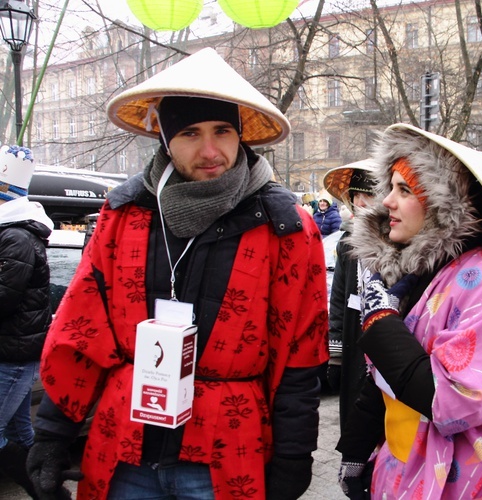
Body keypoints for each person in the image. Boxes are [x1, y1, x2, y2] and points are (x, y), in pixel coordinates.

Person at [26, 48, 329, 500]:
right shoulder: (123, 213)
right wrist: (53, 434)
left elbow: (301, 352)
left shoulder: (284, 225)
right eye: (190, 133)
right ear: (166, 139)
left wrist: (294, 455)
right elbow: (81, 326)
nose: (210, 151)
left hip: (226, 450)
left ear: (239, 134)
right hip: (125, 444)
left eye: (222, 131)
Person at [336, 123, 482, 499]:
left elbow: (451, 399)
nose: (386, 202)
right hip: (403, 469)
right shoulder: (416, 274)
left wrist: (381, 322)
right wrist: (355, 448)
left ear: (442, 206)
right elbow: (383, 379)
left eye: (405, 190)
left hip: (465, 480)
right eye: (391, 187)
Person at [0, 145, 53, 497]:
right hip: (14, 354)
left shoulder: (15, 237)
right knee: (20, 436)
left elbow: (3, 298)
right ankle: (47, 491)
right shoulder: (14, 234)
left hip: (11, 357)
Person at [323, 160, 376, 432]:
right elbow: (339, 301)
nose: (361, 202)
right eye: (356, 196)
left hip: (386, 350)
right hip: (354, 345)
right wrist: (335, 356)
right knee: (355, 421)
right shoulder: (345, 244)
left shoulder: (401, 242)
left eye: (368, 196)